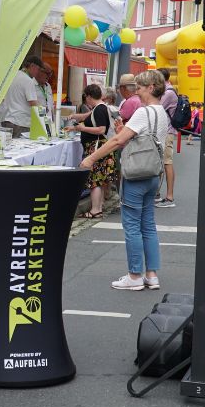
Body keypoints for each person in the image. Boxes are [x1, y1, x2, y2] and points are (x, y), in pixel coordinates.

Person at [80, 69, 169, 291]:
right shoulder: (161, 113)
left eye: (139, 87)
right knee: (148, 225)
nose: (135, 91)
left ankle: (135, 275)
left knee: (131, 226)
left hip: (136, 175)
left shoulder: (142, 113)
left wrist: (91, 158)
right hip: (152, 174)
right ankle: (152, 274)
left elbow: (117, 141)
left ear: (150, 88)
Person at [71, 84, 116, 219]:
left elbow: (101, 129)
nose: (86, 100)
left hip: (96, 147)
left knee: (94, 180)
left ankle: (95, 209)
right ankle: (99, 206)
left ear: (89, 96)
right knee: (100, 180)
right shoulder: (100, 107)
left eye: (86, 97)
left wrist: (82, 129)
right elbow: (86, 117)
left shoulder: (99, 109)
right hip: (100, 146)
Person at [0, 55, 41, 137]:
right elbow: (33, 103)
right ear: (32, 66)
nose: (38, 73)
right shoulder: (28, 81)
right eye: (38, 69)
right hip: (21, 123)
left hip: (6, 119)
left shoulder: (11, 76)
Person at [156, 68, 178, 207]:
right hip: (165, 131)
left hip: (167, 131)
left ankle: (169, 197)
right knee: (162, 162)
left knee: (167, 162)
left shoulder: (168, 93)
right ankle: (158, 193)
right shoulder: (168, 91)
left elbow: (156, 107)